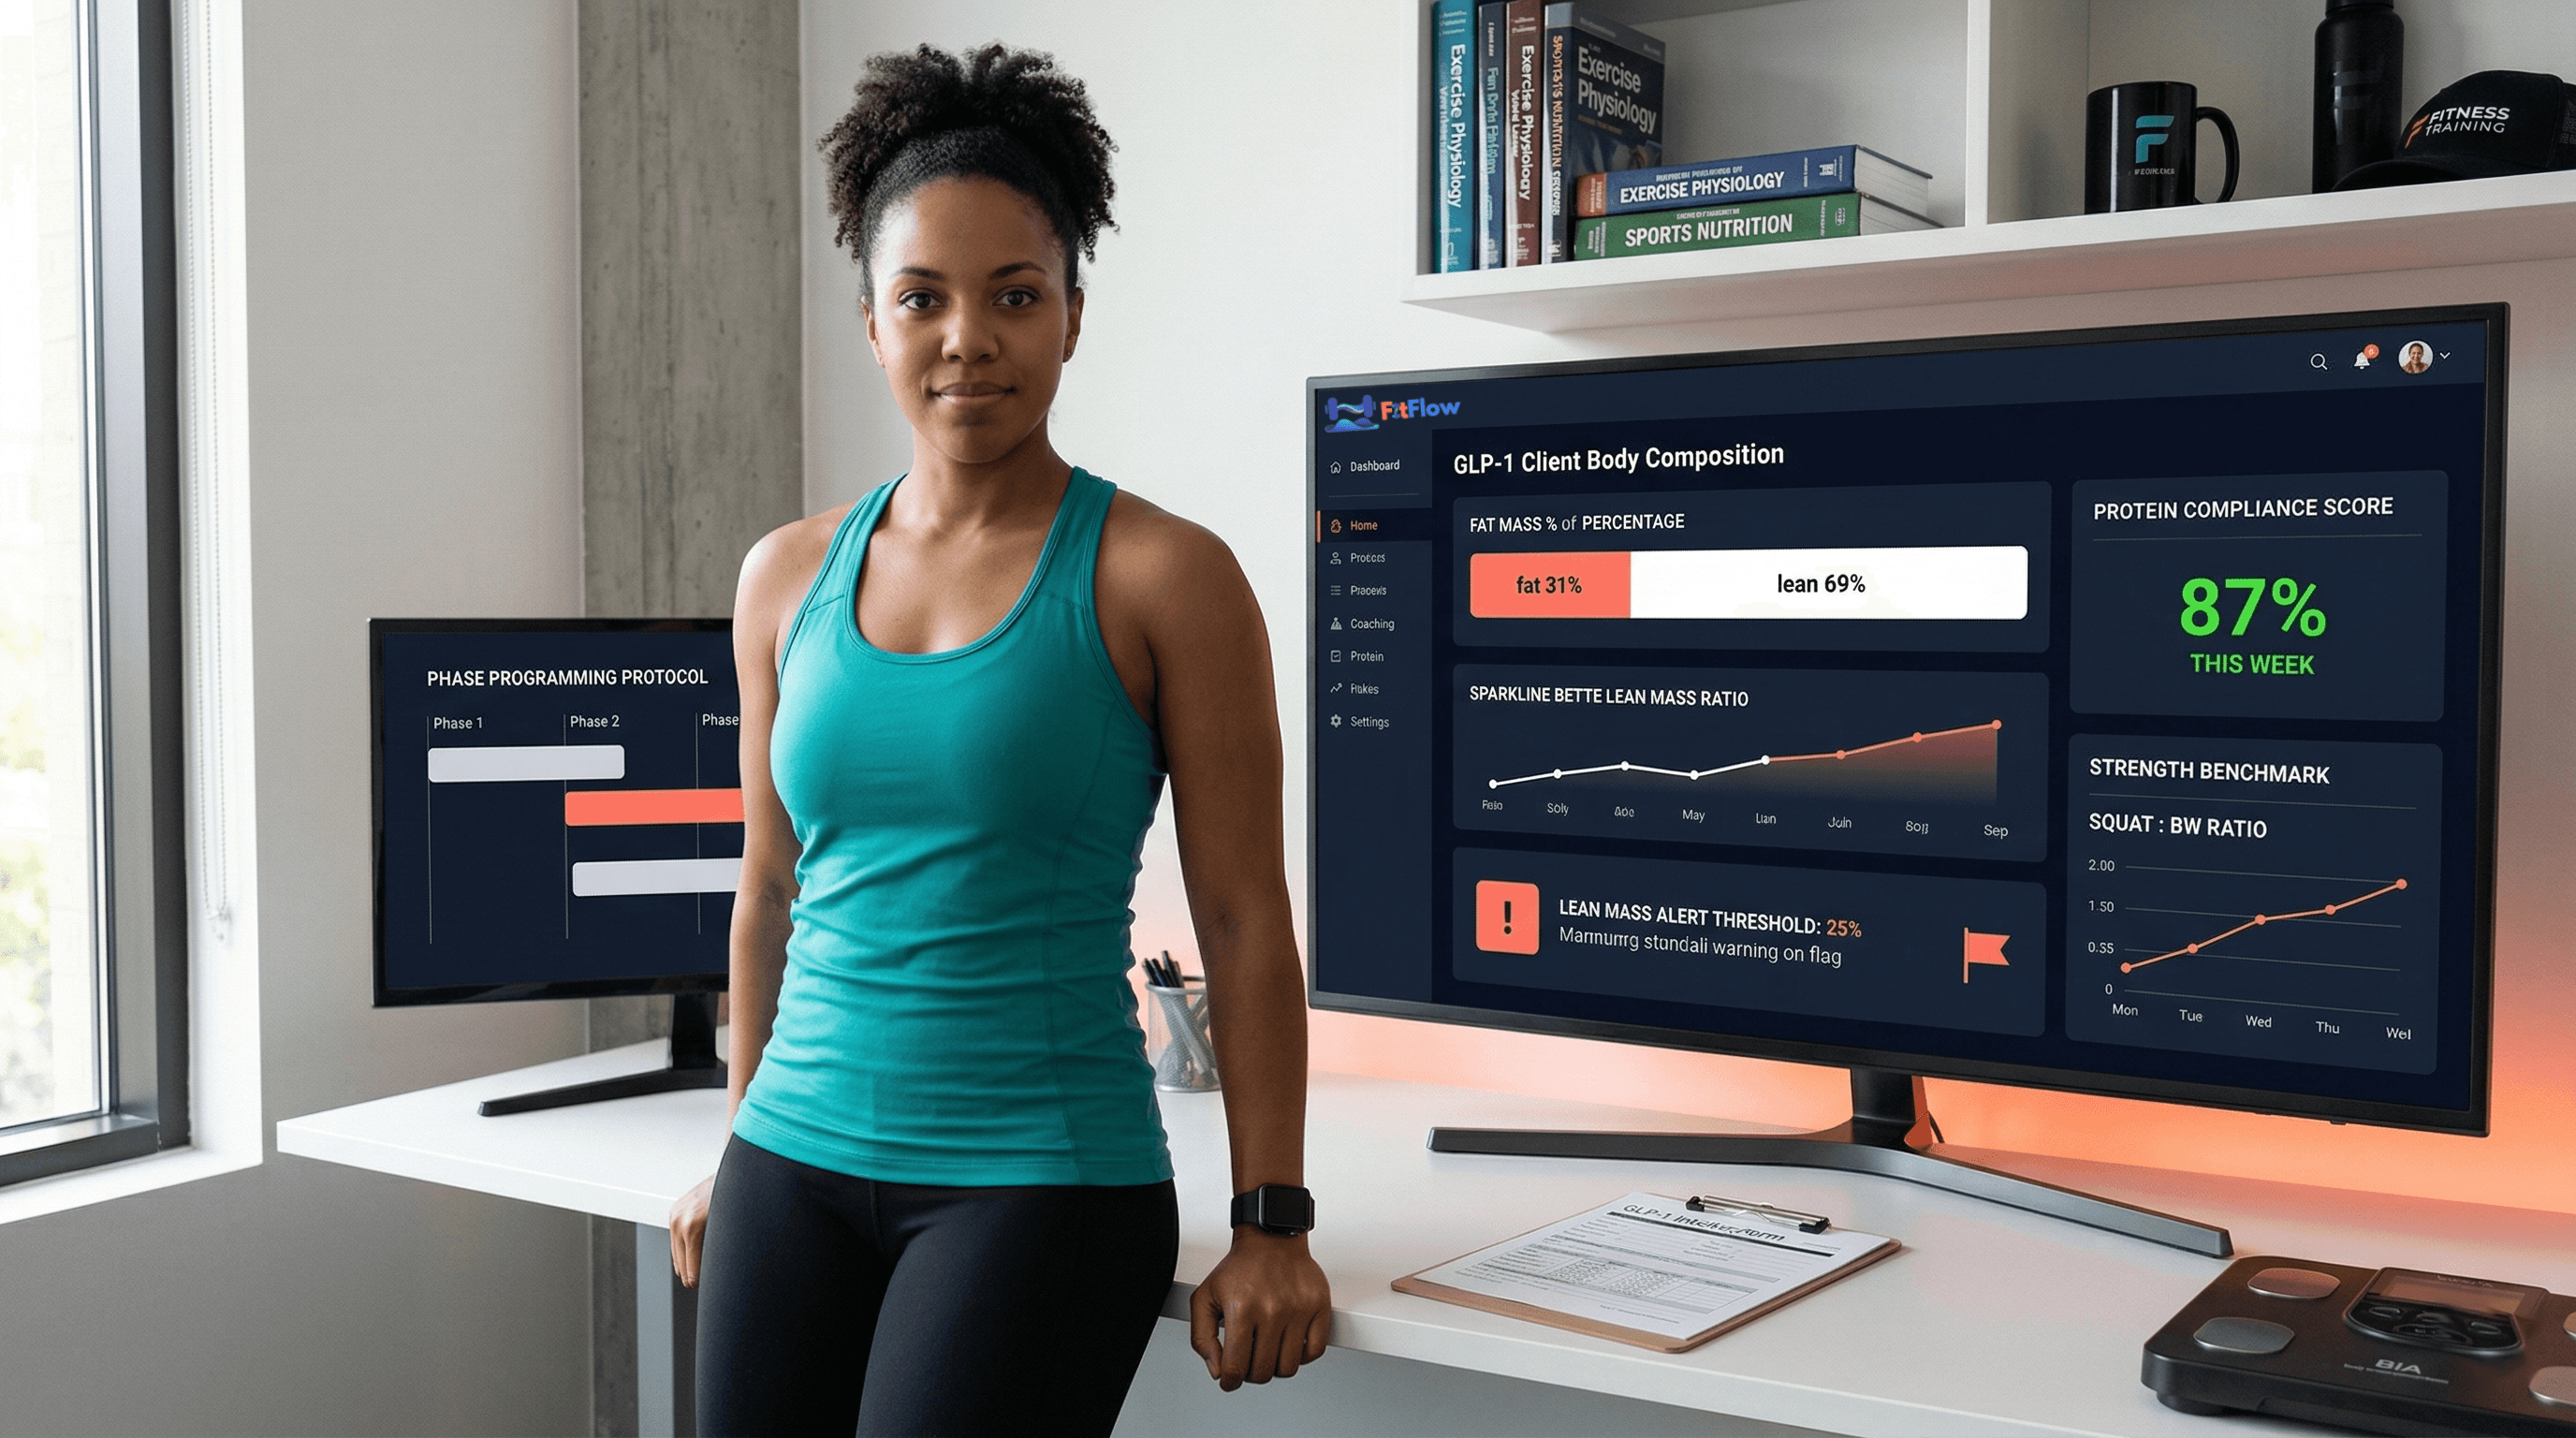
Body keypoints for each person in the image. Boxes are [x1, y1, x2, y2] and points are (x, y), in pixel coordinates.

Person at [665, 43, 1331, 1437]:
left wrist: (1270, 1218)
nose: (967, 337)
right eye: (922, 297)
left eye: (1015, 295)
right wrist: (734, 1148)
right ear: (871, 322)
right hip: (789, 1158)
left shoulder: (1165, 576)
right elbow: (768, 892)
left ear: (1073, 316)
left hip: (1038, 1179)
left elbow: (1242, 913)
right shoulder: (782, 577)